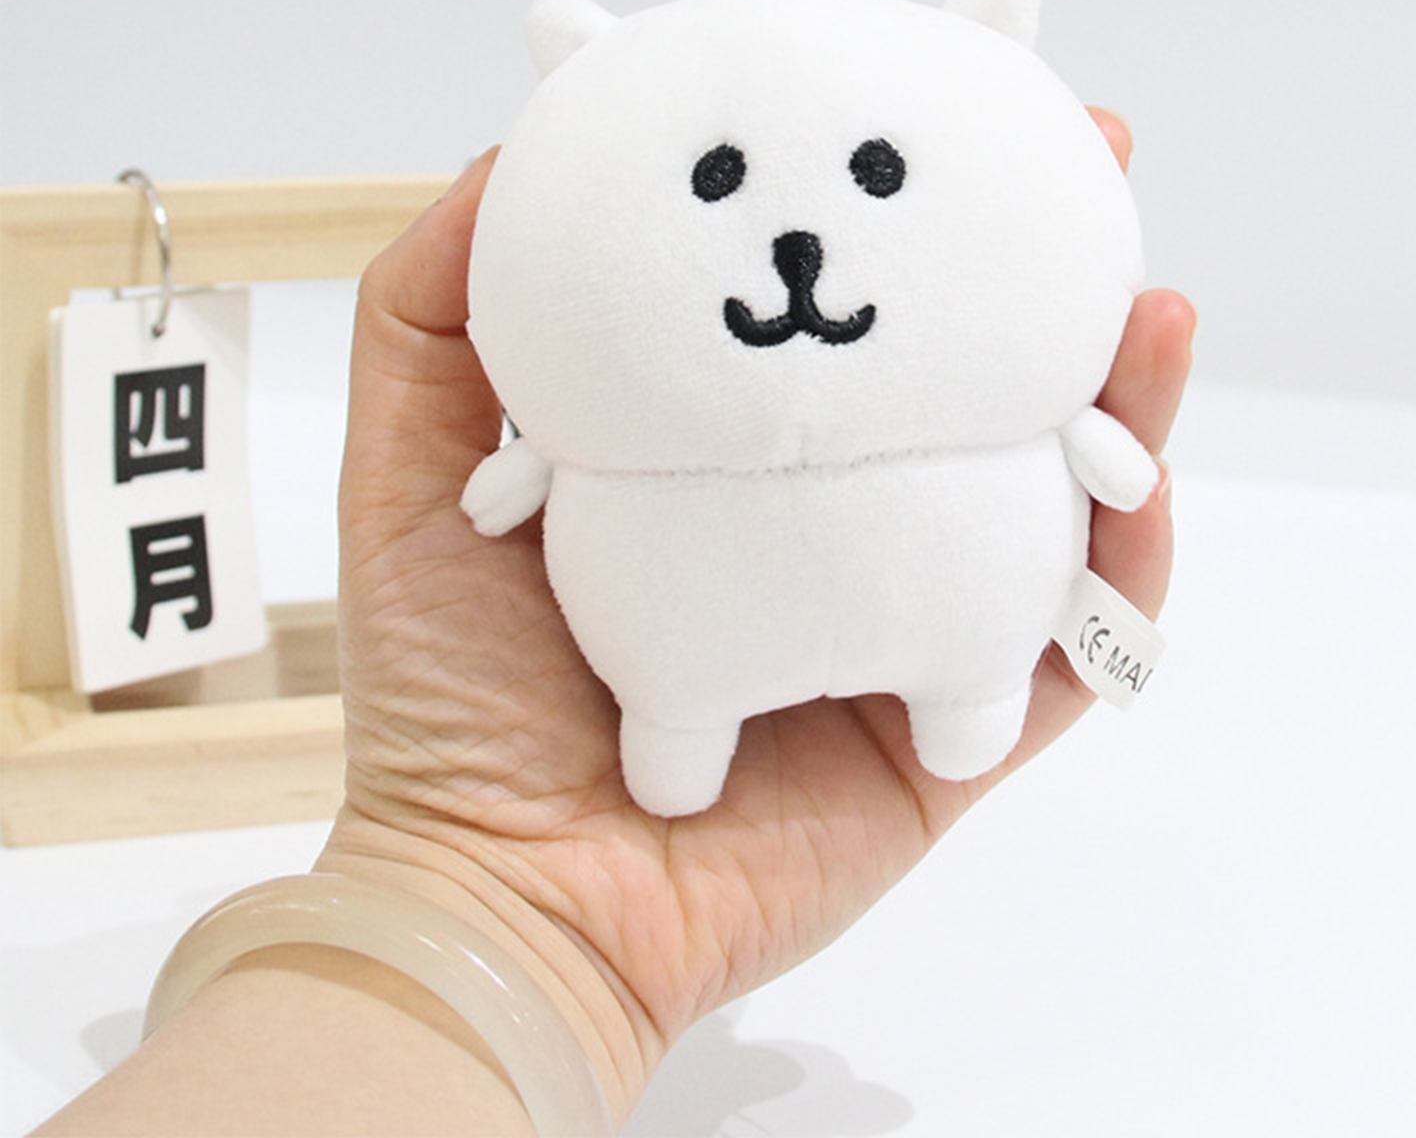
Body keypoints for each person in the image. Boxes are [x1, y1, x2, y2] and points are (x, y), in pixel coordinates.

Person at [37, 115, 1195, 1137]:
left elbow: (1106, 455)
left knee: (947, 688)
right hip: (682, 602)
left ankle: (952, 702)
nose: (798, 238)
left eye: (877, 176)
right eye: (718, 180)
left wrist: (483, 898)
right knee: (686, 700)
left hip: (937, 580)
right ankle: (732, 726)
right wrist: (498, 891)